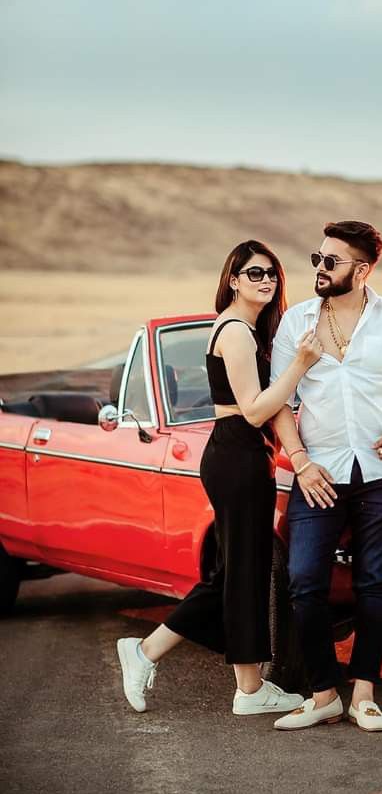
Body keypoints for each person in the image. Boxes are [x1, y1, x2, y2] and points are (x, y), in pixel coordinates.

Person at [116, 240, 323, 716]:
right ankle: (148, 653)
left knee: (238, 574)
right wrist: (300, 365)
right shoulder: (235, 332)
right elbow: (254, 411)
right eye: (254, 273)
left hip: (241, 456)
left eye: (271, 273)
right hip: (236, 454)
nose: (266, 280)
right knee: (238, 573)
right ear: (232, 279)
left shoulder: (246, 329)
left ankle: (247, 689)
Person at [269, 220, 382, 732]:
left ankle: (364, 693)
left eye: (331, 261)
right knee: (304, 582)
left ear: (362, 270)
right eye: (317, 259)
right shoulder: (296, 322)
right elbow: (280, 398)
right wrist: (299, 459)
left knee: (374, 583)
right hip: (317, 470)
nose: (319, 269)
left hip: (380, 472)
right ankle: (323, 692)